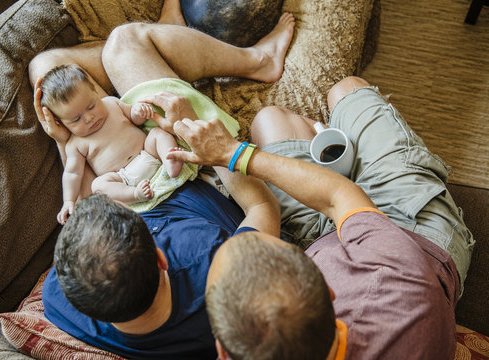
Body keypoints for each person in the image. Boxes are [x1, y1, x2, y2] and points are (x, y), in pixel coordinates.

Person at [33, 1, 295, 358]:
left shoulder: (60, 298)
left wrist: (67, 142)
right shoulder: (210, 258)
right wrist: (197, 134)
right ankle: (258, 60)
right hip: (178, 173)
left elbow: (83, 206)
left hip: (122, 183)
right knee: (125, 42)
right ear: (160, 259)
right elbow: (264, 208)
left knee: (43, 69)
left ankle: (166, 36)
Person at [167, 76, 475, 359]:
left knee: (270, 120)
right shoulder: (402, 285)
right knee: (346, 90)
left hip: (326, 236)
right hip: (414, 234)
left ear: (222, 354)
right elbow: (338, 196)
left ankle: (333, 155)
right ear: (330, 292)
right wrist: (233, 153)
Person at [39, 63, 184, 224]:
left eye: (91, 106)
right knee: (98, 185)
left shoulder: (112, 103)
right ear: (61, 123)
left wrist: (138, 111)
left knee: (157, 134)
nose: (89, 118)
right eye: (76, 119)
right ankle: (136, 194)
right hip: (122, 179)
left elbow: (134, 118)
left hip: (148, 154)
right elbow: (72, 174)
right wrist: (69, 202)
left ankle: (171, 162)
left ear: (94, 91)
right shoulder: (75, 144)